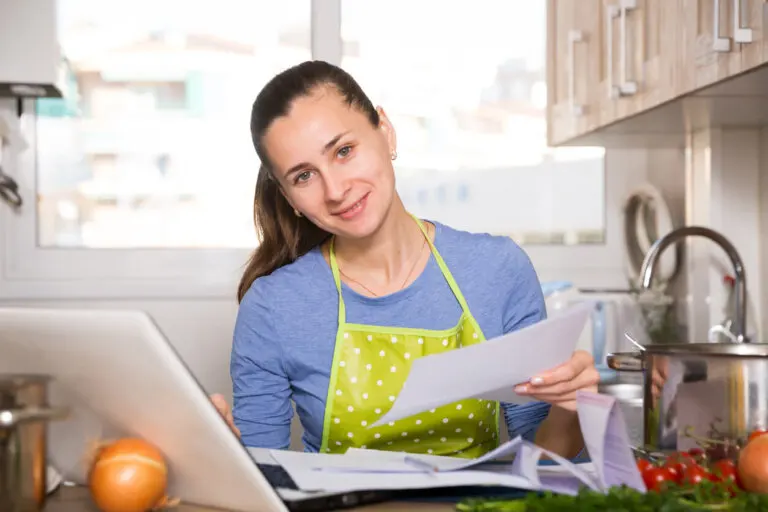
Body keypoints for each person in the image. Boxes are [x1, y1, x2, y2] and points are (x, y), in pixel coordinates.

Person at [211, 60, 599, 459]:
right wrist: (220, 453)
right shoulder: (273, 306)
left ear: (386, 131)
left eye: (344, 151)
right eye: (304, 176)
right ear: (289, 197)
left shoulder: (497, 270)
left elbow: (544, 462)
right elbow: (262, 478)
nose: (336, 190)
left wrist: (570, 407)